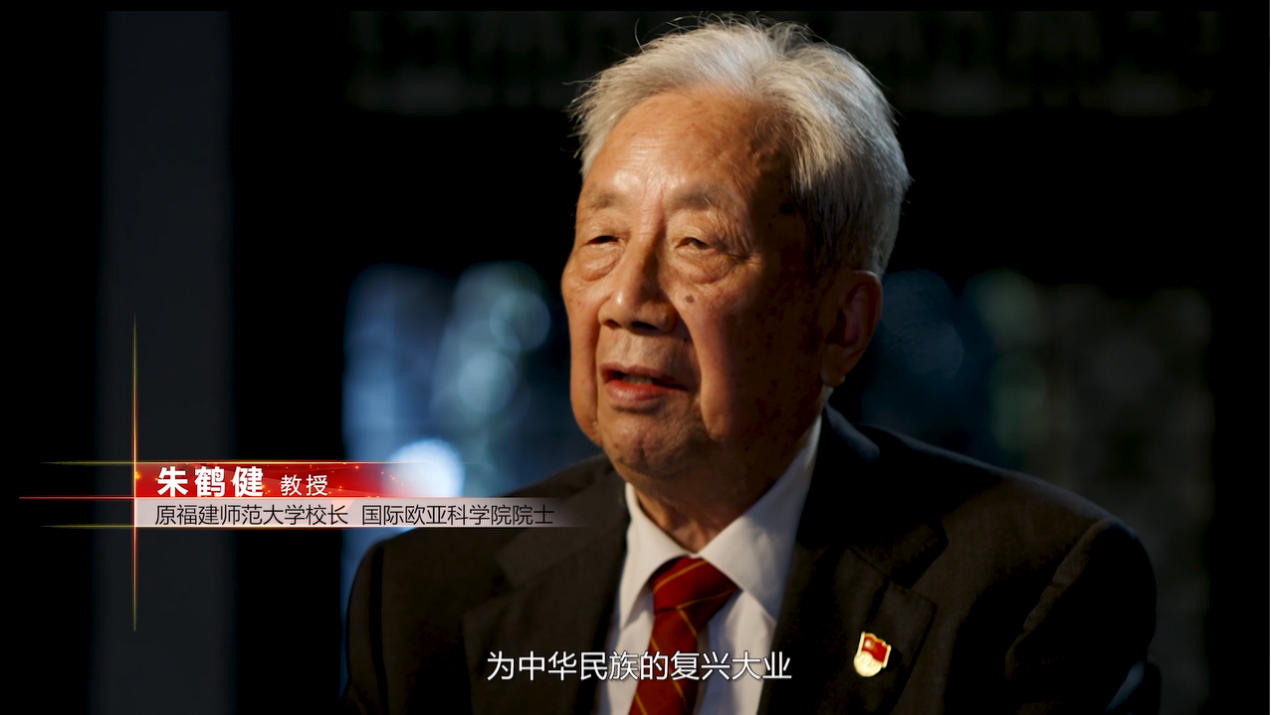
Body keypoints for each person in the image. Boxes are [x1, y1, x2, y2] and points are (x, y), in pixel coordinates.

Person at [343, 18, 1155, 715]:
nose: (627, 299)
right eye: (602, 238)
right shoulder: (425, 593)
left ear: (840, 323)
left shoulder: (1029, 590)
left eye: (697, 244)